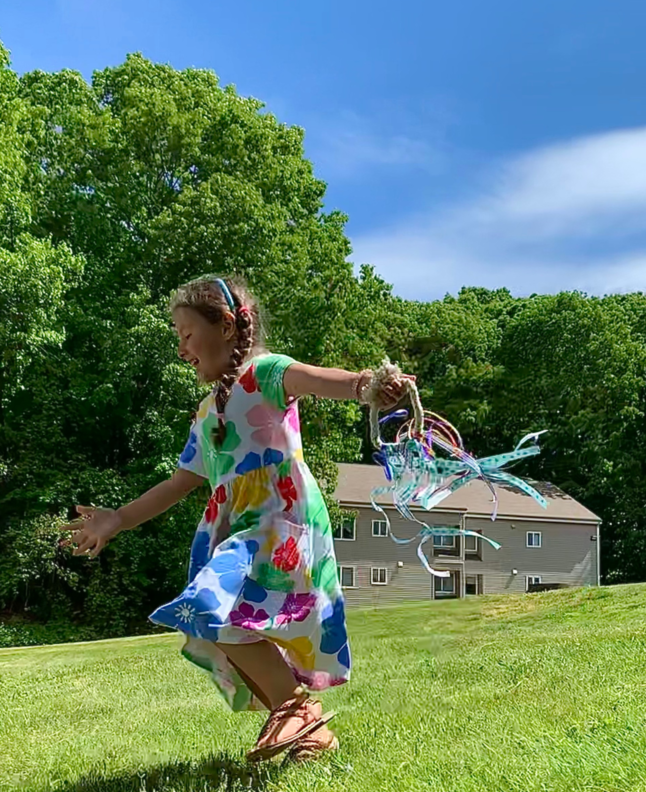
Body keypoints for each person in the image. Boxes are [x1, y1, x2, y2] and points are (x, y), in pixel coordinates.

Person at [60, 275, 410, 763]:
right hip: (235, 528)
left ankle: (294, 710)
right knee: (219, 622)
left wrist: (367, 386)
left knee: (211, 608)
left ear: (226, 326)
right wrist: (117, 518)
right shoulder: (206, 413)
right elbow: (179, 483)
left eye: (185, 335)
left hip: (279, 518)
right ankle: (308, 733)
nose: (181, 349)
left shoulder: (264, 374)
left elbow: (315, 378)